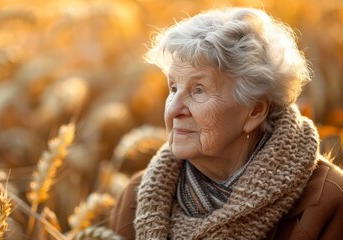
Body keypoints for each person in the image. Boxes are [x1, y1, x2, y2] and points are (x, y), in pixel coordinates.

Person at [110, 7, 343, 239]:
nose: (172, 109)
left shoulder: (329, 203)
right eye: (173, 88)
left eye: (198, 90)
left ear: (255, 111)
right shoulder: (135, 198)